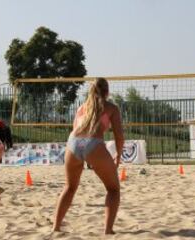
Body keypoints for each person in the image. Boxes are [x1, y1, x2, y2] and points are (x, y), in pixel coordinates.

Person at [53, 78, 124, 234]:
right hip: (94, 143)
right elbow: (119, 136)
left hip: (72, 143)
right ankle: (108, 230)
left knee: (69, 187)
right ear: (107, 92)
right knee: (113, 190)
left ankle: (56, 227)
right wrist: (118, 154)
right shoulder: (111, 107)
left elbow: (76, 129)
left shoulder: (81, 107)